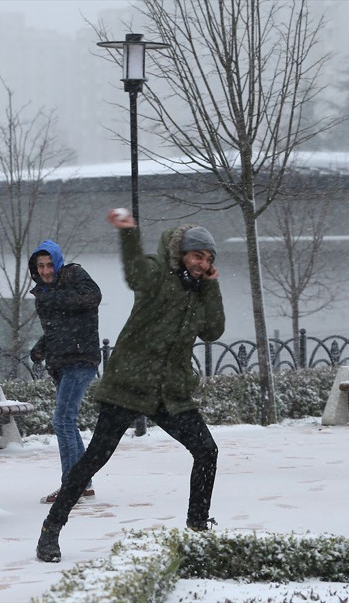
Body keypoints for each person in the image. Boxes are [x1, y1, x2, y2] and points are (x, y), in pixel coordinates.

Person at [36, 210, 226, 562]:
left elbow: (213, 330)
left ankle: (197, 529)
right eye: (197, 255)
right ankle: (51, 529)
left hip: (170, 392)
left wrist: (211, 284)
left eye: (208, 258)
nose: (202, 263)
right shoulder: (158, 273)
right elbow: (135, 272)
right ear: (181, 253)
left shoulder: (200, 291)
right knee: (95, 458)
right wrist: (128, 233)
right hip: (131, 383)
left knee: (207, 452)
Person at [29, 239, 102, 504]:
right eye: (41, 266)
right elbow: (57, 328)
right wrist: (40, 348)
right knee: (66, 422)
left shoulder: (74, 274)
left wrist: (54, 296)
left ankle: (70, 486)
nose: (46, 271)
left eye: (49, 264)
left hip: (81, 359)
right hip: (62, 362)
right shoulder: (43, 293)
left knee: (62, 421)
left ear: (58, 263)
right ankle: (83, 482)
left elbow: (93, 297)